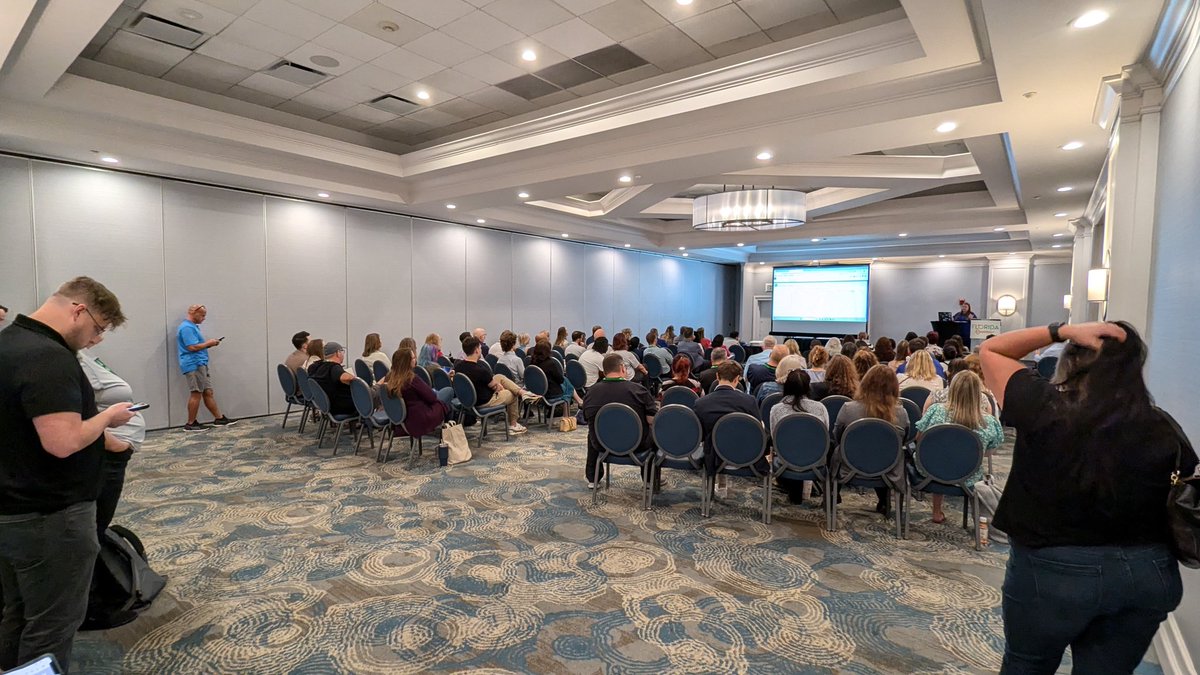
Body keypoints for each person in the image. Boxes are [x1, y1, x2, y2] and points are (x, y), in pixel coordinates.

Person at [980, 321, 1195, 672]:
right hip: (1147, 573)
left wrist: (1060, 330)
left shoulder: (1043, 406)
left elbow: (993, 350)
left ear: (1072, 360)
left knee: (1027, 665)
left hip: (1052, 572)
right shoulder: (1164, 427)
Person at [0, 276, 137, 671]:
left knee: (20, 613)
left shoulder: (9, 343)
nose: (96, 340)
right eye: (98, 329)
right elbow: (62, 442)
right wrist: (108, 416)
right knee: (53, 625)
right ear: (79, 310)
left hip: (14, 507)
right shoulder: (48, 357)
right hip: (49, 515)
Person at [914, 369, 1002, 523]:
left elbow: (919, 439)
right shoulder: (988, 421)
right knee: (952, 457)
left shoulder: (936, 410)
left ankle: (936, 511)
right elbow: (988, 452)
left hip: (929, 471)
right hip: (968, 474)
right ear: (978, 393)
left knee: (940, 455)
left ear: (952, 389)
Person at [833, 364, 910, 516]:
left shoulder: (848, 408)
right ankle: (884, 500)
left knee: (835, 450)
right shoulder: (901, 413)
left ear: (865, 383)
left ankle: (832, 496)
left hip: (850, 465)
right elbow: (904, 440)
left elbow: (837, 436)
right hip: (888, 469)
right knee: (882, 451)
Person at [581, 353, 658, 487]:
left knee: (592, 431)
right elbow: (652, 419)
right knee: (655, 431)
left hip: (602, 443)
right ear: (623, 368)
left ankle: (593, 478)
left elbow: (588, 418)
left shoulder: (591, 393)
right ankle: (650, 480)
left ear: (603, 371)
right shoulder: (638, 390)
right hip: (637, 444)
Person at [693, 361, 760, 499]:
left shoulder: (701, 403)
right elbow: (757, 431)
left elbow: (698, 434)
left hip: (713, 455)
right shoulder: (749, 401)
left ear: (717, 376)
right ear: (737, 379)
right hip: (744, 454)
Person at [771, 369, 830, 504]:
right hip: (814, 459)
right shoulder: (820, 408)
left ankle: (794, 490)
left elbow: (775, 437)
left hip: (785, 459)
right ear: (808, 387)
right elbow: (824, 434)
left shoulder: (776, 409)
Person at [454, 336, 532, 435]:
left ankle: (522, 392)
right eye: (480, 348)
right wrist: (499, 388)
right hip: (484, 401)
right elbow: (496, 387)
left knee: (499, 376)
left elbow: (492, 382)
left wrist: (497, 385)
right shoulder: (481, 371)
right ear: (477, 350)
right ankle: (513, 425)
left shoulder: (458, 366)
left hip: (468, 399)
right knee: (512, 394)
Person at [177, 304, 236, 431]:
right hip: (194, 364)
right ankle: (191, 423)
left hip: (200, 363)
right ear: (194, 313)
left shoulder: (193, 327)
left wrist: (209, 344)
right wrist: (208, 343)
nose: (204, 318)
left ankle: (219, 418)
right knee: (196, 393)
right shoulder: (187, 328)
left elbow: (197, 345)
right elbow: (191, 347)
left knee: (207, 392)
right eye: (202, 315)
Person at [379, 347, 454, 440]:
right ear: (407, 362)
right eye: (413, 358)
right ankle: (448, 440)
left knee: (443, 398)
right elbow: (432, 397)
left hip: (401, 421)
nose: (415, 360)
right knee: (448, 394)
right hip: (419, 419)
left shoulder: (389, 378)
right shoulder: (411, 379)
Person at [307, 342, 357, 416]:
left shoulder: (315, 366)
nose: (343, 354)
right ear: (338, 353)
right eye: (342, 352)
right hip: (342, 407)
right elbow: (347, 378)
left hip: (326, 405)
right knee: (376, 392)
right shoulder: (334, 368)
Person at [529, 341, 582, 407]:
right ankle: (578, 401)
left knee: (565, 380)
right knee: (566, 382)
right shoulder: (550, 363)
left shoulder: (532, 363)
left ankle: (579, 401)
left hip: (537, 391)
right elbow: (560, 380)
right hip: (551, 394)